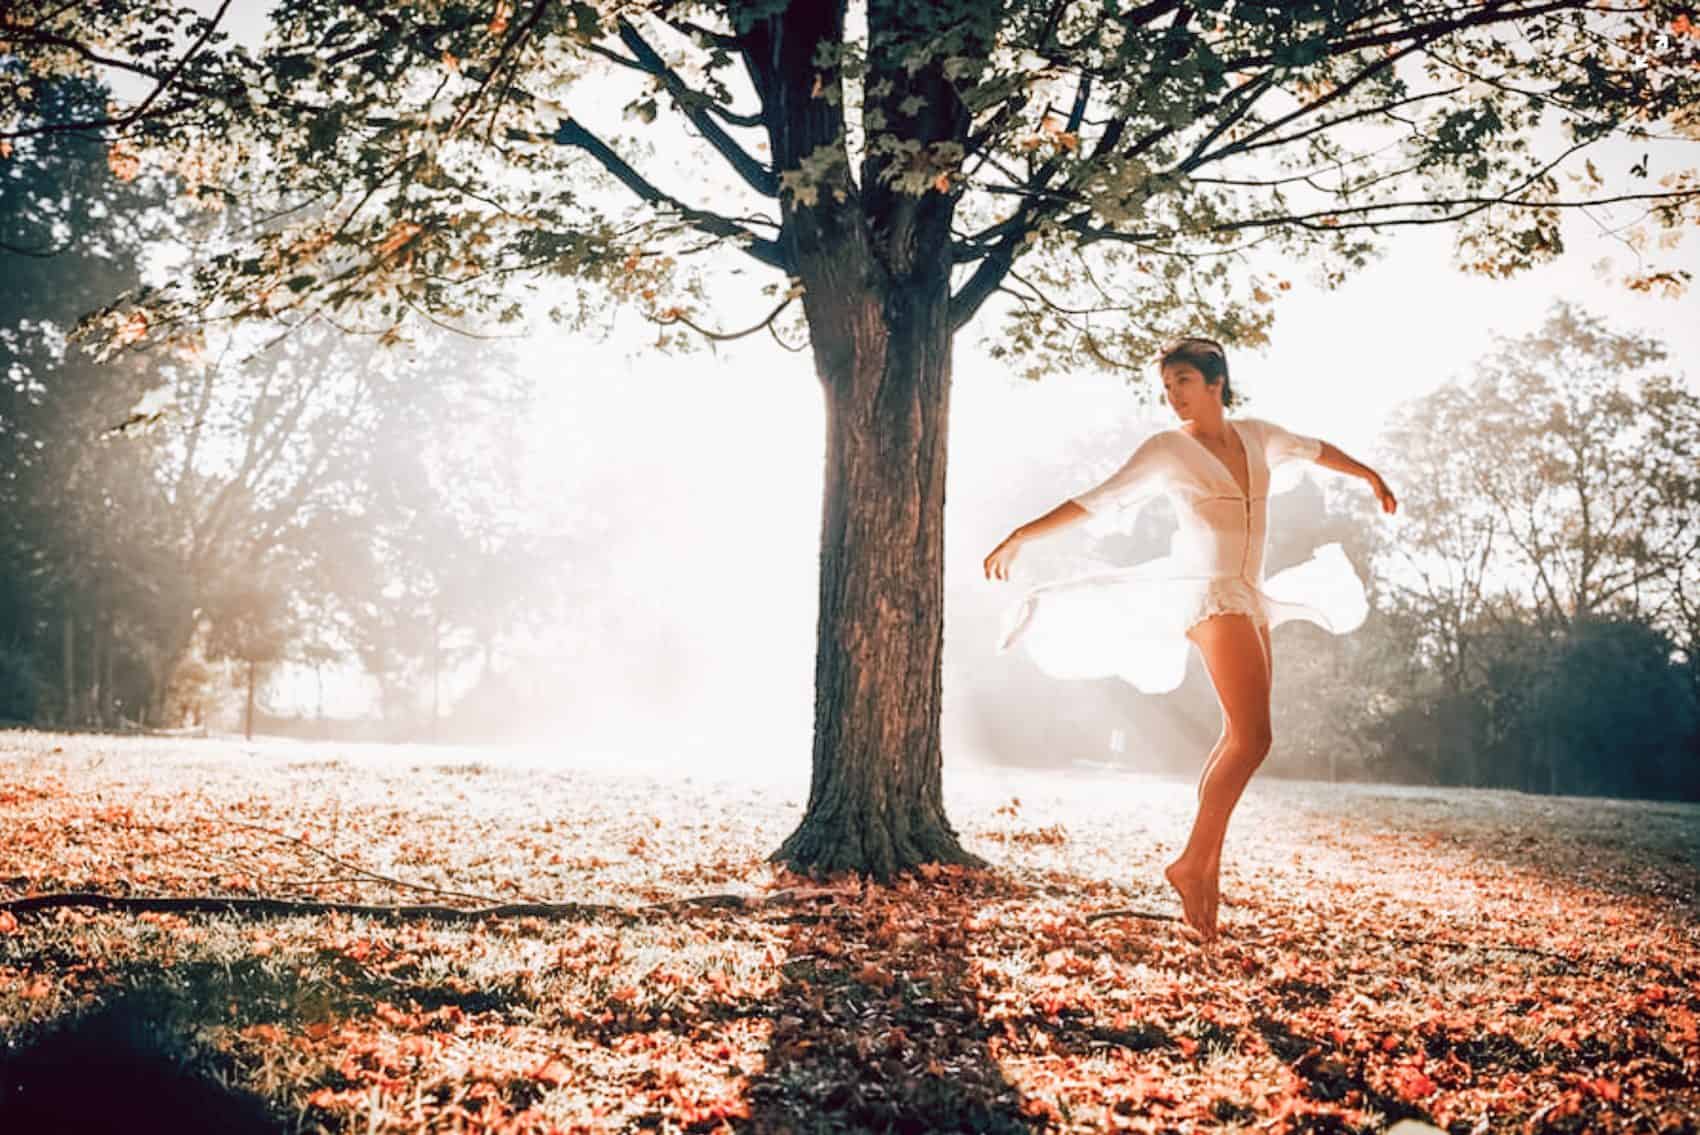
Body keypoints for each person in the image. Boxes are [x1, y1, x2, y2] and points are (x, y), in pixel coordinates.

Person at [982, 336, 1397, 941]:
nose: (1171, 392)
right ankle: (1192, 863)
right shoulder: (1168, 449)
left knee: (1239, 736)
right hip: (1213, 597)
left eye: (1181, 380)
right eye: (1167, 383)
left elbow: (1315, 450)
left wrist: (1370, 475)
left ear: (1215, 382)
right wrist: (1023, 533)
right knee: (1255, 737)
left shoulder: (1258, 436)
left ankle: (1203, 868)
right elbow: (1098, 500)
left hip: (1250, 598)